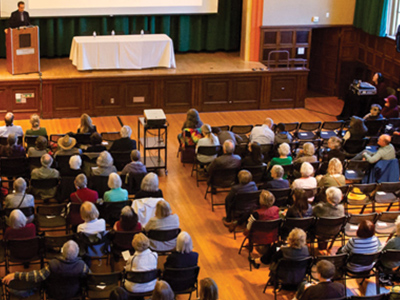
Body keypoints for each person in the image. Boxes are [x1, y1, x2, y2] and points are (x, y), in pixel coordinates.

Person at [2, 241, 89, 300]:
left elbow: (37, 276)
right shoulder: (82, 266)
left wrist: (15, 275)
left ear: (62, 251)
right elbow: (90, 278)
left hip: (54, 292)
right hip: (73, 292)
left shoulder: (53, 264)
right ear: (77, 253)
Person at [244, 190, 279, 255]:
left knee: (249, 230)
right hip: (273, 236)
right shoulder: (276, 209)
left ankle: (250, 245)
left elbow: (248, 228)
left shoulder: (256, 213)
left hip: (257, 237)